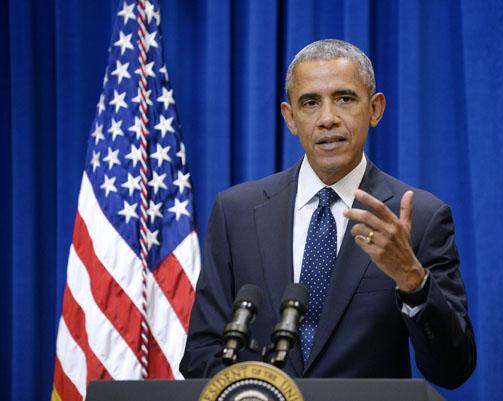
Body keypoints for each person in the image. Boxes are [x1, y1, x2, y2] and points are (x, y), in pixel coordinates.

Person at [180, 39, 476, 389]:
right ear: (290, 118)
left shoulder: (420, 218)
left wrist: (413, 281)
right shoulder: (236, 213)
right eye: (310, 103)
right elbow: (201, 352)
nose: (327, 119)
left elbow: (453, 369)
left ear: (375, 109)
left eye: (345, 99)